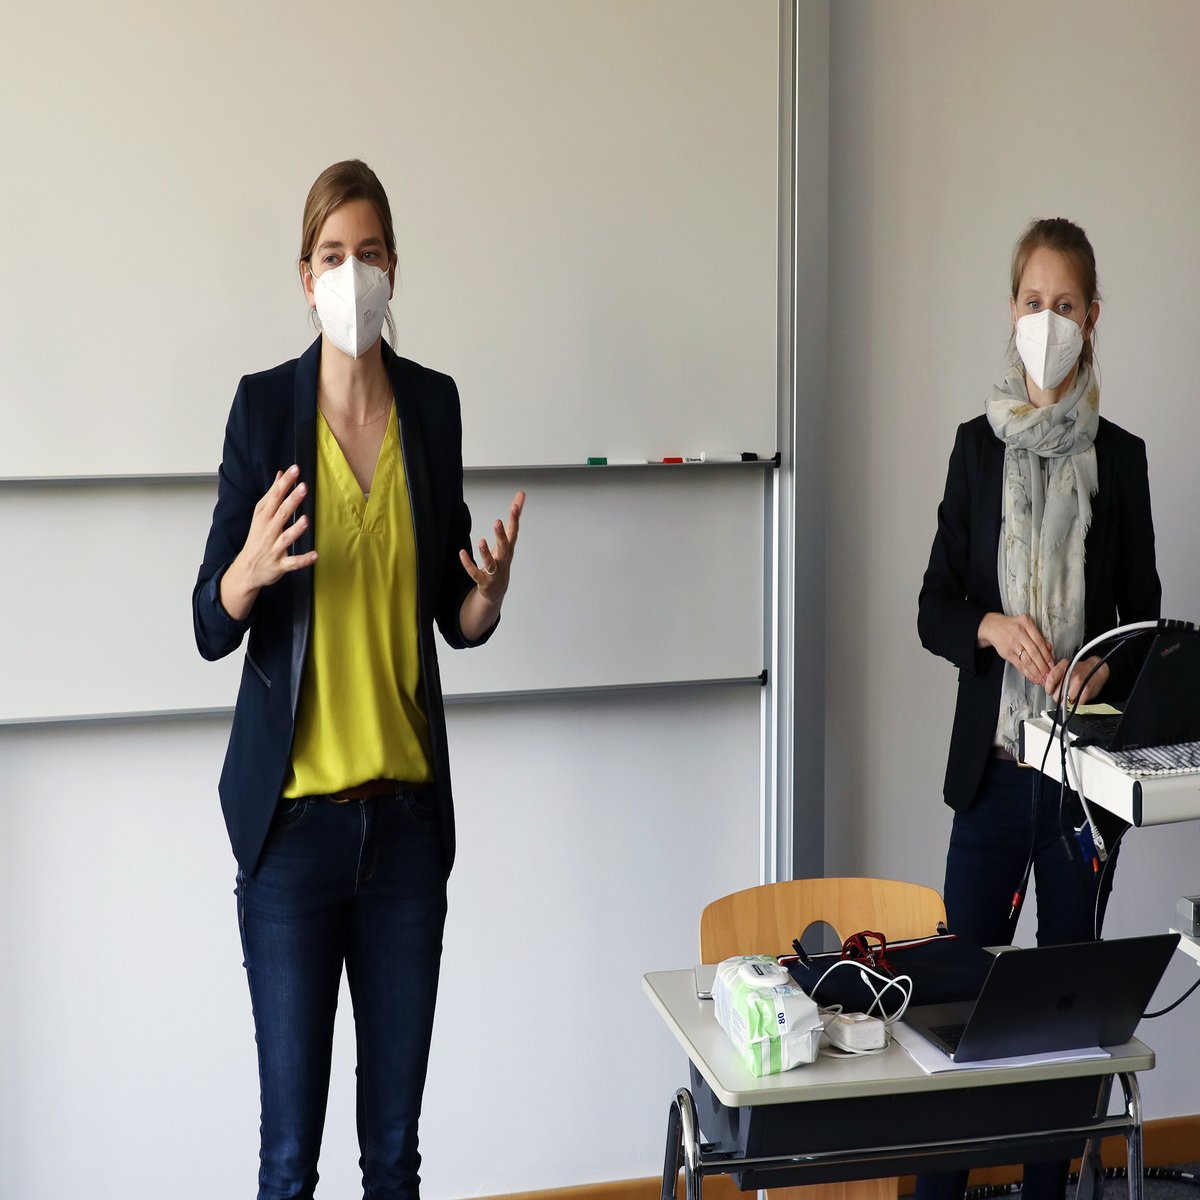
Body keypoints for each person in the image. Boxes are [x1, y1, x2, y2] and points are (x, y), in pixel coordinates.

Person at [192, 159, 524, 1200]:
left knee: (394, 1153)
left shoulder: (432, 407)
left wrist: (488, 596)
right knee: (289, 1158)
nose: (351, 274)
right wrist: (246, 571)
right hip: (292, 837)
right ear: (305, 276)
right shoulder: (262, 412)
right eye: (331, 255)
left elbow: (453, 614)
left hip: (407, 832)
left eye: (368, 253)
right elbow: (208, 623)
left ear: (393, 269)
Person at [916, 217, 1160, 1200]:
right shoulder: (975, 451)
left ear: (1092, 318)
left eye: (1064, 305)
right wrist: (986, 625)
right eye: (1032, 302)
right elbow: (933, 607)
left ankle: (1051, 1190)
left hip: (1080, 790)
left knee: (1065, 1023)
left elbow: (1144, 626)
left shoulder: (1124, 459)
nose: (1046, 321)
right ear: (1010, 309)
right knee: (955, 1013)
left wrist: (1106, 670)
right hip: (991, 777)